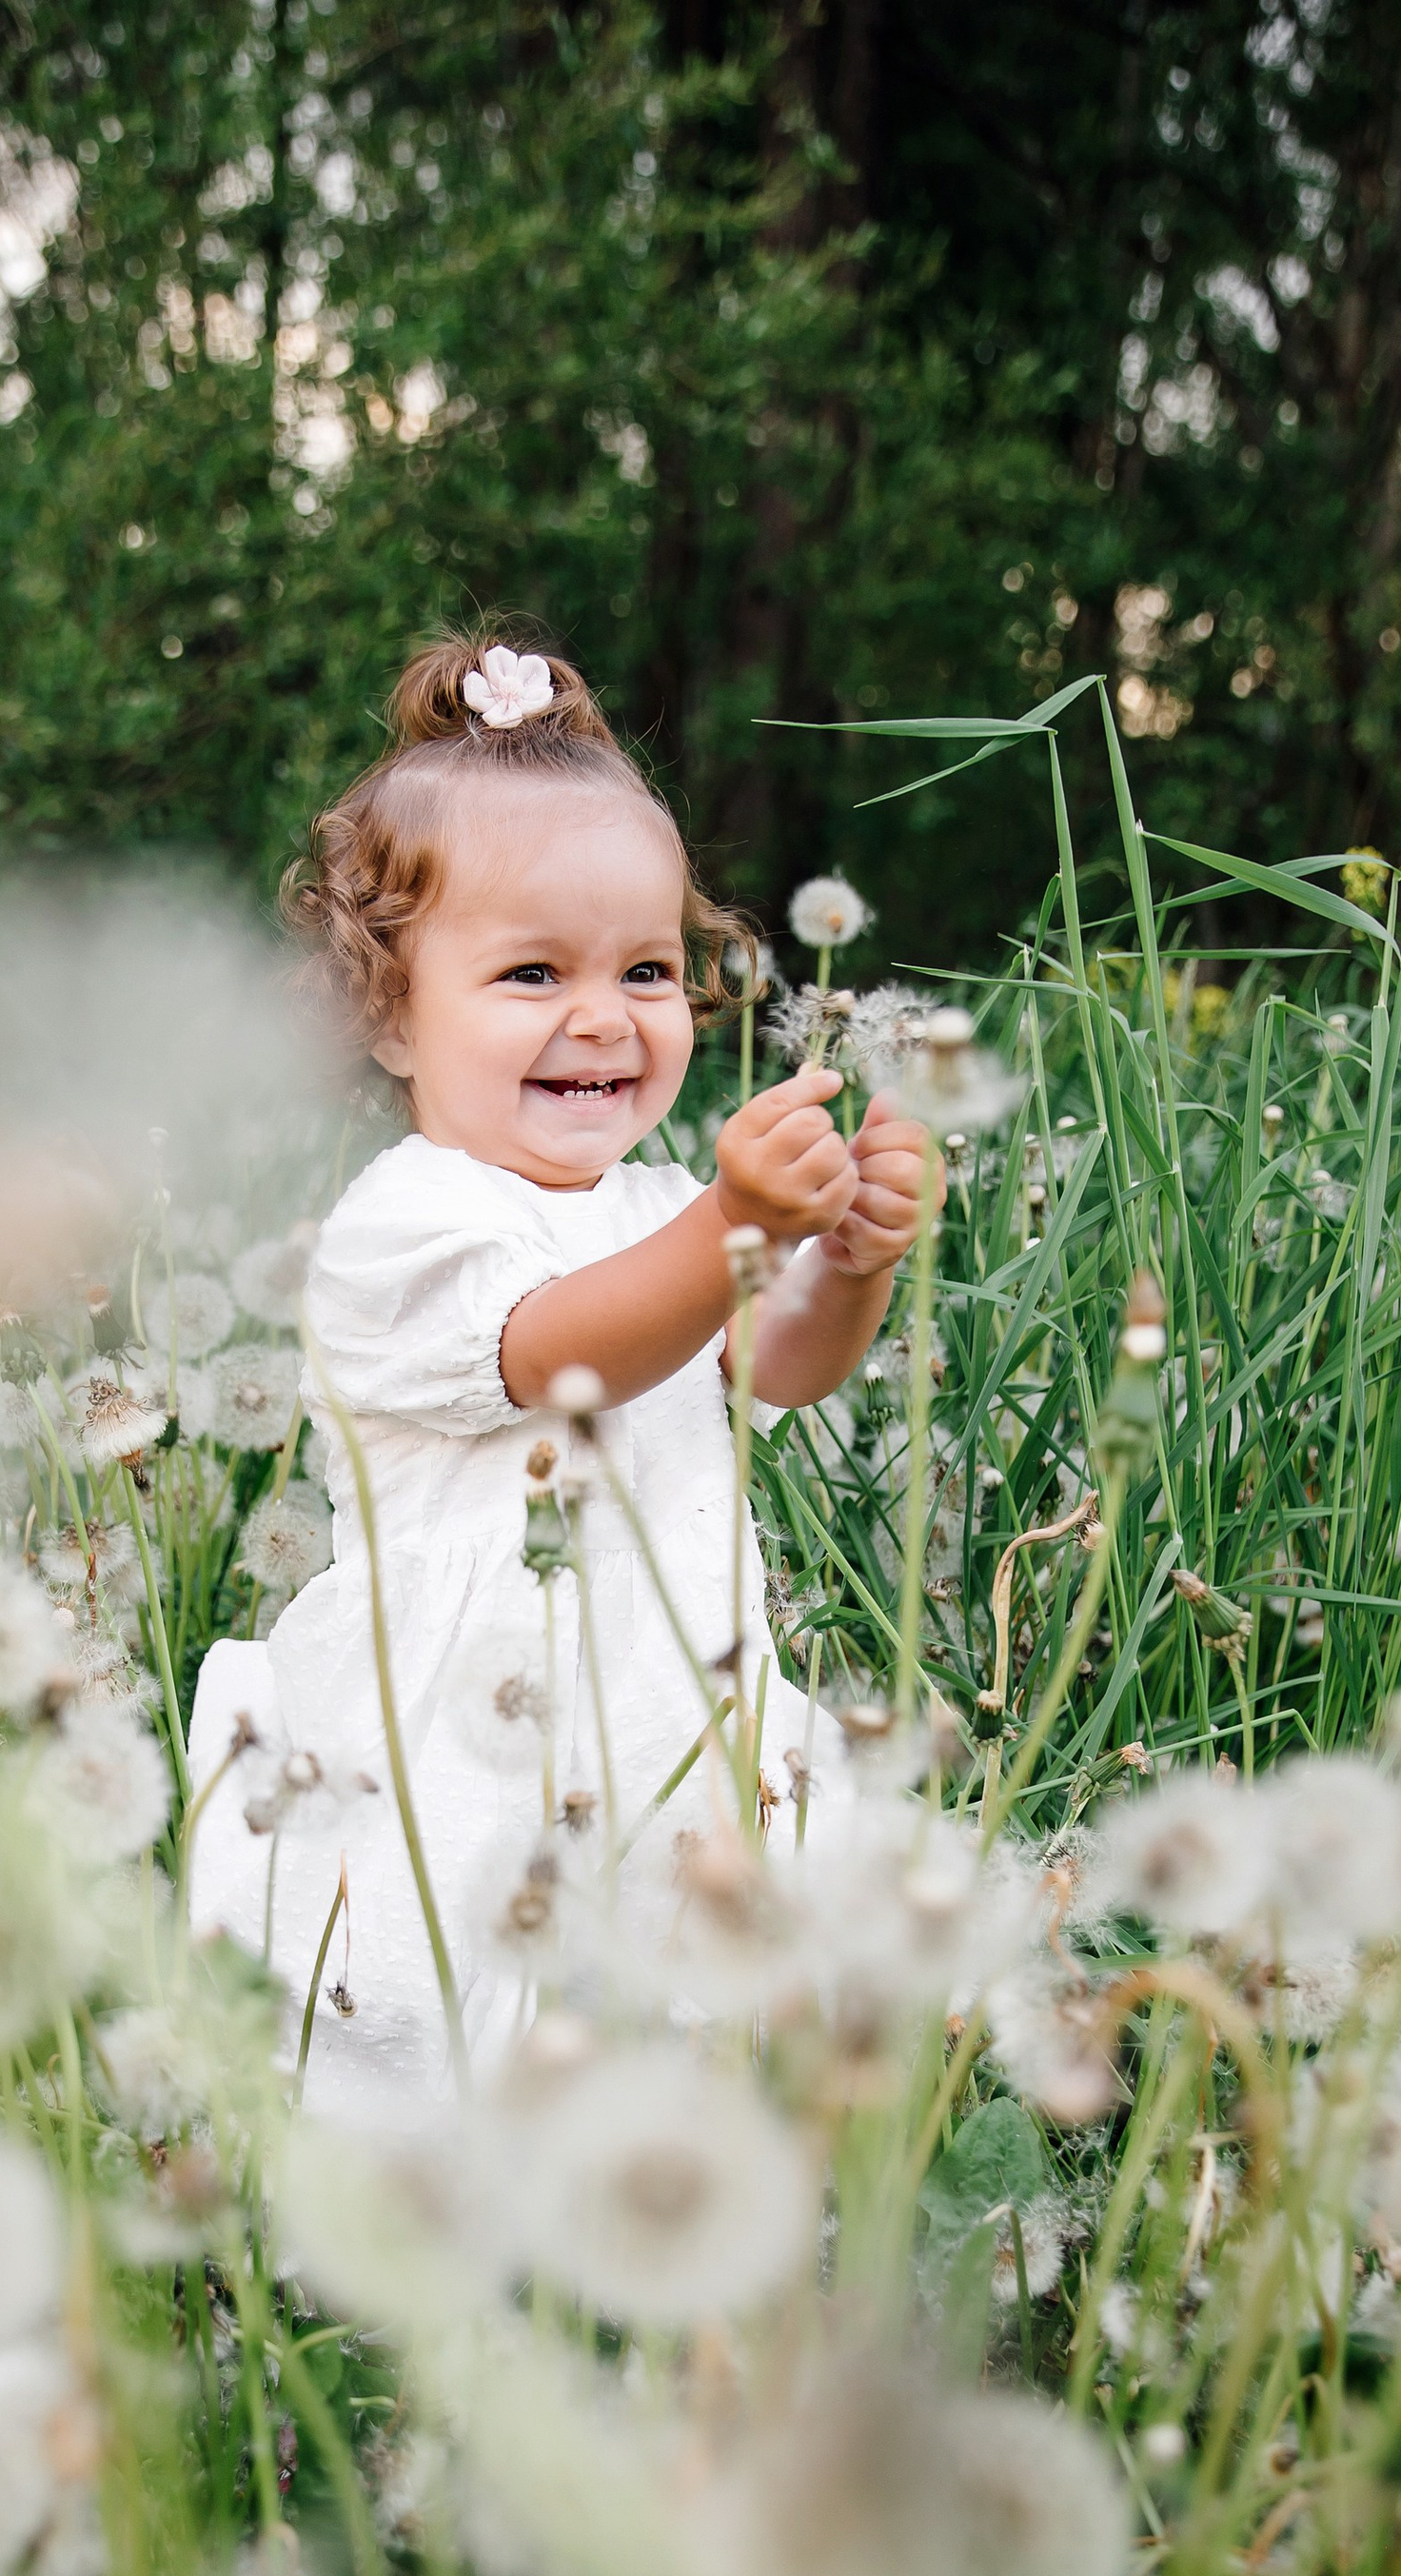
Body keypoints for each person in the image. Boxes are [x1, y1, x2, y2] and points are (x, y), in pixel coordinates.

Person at [184, 634, 933, 2104]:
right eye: (533, 972)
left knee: (690, 2006)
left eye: (645, 968)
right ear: (392, 1013)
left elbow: (775, 1368)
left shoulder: (659, 1206)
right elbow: (560, 1352)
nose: (605, 1017)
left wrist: (851, 1261)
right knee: (468, 2030)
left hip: (672, 1694)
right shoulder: (404, 1223)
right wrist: (734, 1219)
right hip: (470, 1739)